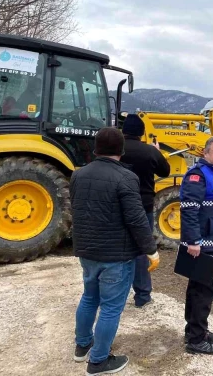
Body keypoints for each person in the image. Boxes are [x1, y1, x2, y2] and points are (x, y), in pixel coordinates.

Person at [70, 127, 160, 375]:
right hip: (115, 257)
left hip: (87, 252)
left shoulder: (78, 175)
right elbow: (136, 218)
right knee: (110, 307)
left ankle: (82, 346)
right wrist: (151, 250)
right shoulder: (126, 178)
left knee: (89, 297)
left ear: (96, 149)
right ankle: (98, 361)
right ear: (121, 150)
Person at [180, 136, 213, 355]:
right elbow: (189, 209)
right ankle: (196, 340)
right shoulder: (198, 175)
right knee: (204, 291)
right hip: (201, 245)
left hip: (208, 243)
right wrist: (193, 241)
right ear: (205, 154)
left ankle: (195, 330)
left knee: (197, 288)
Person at [119, 113, 171, 308]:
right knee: (142, 249)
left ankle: (116, 295)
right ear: (142, 133)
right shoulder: (149, 151)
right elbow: (165, 171)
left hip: (119, 205)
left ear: (123, 132)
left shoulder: (115, 150)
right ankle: (142, 295)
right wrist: (156, 151)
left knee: (118, 249)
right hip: (143, 206)